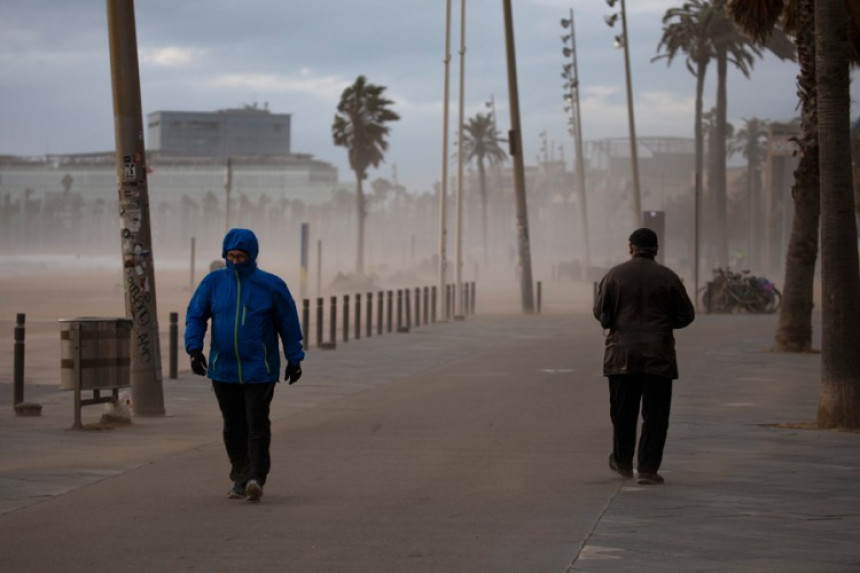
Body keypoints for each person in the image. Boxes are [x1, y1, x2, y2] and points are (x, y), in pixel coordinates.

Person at [185, 228, 305, 502]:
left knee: (257, 423)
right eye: (231, 256)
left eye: (240, 256)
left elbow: (288, 324)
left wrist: (294, 359)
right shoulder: (213, 283)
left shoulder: (271, 286)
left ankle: (256, 478)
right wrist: (194, 349)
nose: (235, 261)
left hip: (259, 369)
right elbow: (195, 316)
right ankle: (239, 474)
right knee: (233, 424)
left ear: (252, 256)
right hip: (223, 368)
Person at [593, 228, 695, 485]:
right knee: (656, 415)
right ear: (656, 249)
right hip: (658, 356)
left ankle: (623, 461)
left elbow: (599, 312)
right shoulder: (668, 277)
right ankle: (648, 468)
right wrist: (662, 326)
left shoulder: (613, 275)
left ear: (630, 247)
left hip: (620, 355)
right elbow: (686, 315)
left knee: (622, 412)